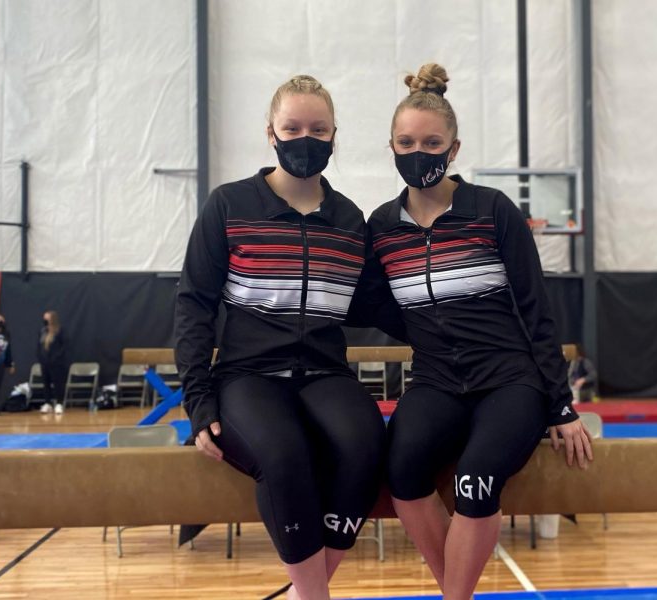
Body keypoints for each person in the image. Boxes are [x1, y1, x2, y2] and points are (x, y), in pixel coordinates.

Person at [358, 63, 594, 600]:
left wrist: (559, 403)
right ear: (391, 146)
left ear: (454, 148)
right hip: (438, 381)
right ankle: (457, 591)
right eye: (407, 141)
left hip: (510, 379)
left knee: (476, 479)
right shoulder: (382, 227)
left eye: (432, 142)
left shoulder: (491, 210)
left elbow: (536, 308)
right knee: (403, 474)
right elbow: (377, 302)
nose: (419, 151)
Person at [174, 75, 386, 600]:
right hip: (249, 375)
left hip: (324, 373)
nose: (305, 139)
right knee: (285, 454)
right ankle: (314, 595)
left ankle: (304, 590)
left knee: (367, 445)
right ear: (271, 132)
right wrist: (198, 401)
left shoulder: (348, 220)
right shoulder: (229, 205)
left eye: (318, 129)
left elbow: (377, 303)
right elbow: (194, 305)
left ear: (335, 136)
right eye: (293, 128)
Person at [37, 310, 67, 415]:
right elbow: (39, 346)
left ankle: (59, 403)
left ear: (52, 319)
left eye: (47, 318)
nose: (44, 320)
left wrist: (56, 358)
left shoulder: (59, 331)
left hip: (56, 363)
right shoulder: (42, 331)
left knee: (58, 383)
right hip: (44, 362)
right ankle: (47, 403)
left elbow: (63, 346)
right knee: (46, 383)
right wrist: (40, 358)